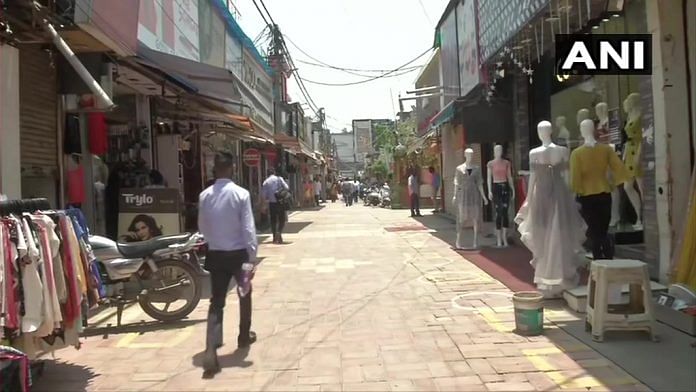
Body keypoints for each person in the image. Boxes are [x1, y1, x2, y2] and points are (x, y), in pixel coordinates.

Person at [197, 153, 258, 376]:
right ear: (232, 168)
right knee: (244, 294)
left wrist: (215, 241)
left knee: (217, 302)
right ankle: (243, 335)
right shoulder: (241, 194)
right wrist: (251, 257)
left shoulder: (205, 196)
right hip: (239, 256)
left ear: (215, 169)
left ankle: (212, 345)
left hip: (216, 255)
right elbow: (249, 229)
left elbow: (202, 227)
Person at [261, 168, 290, 244]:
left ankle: (274, 237)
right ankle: (279, 232)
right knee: (282, 219)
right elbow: (287, 188)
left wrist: (264, 206)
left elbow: (263, 196)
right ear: (274, 172)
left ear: (267, 174)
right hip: (280, 202)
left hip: (272, 204)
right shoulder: (279, 179)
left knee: (273, 220)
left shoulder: (265, 182)